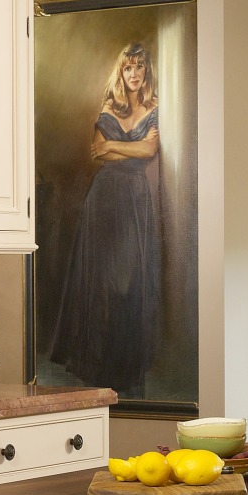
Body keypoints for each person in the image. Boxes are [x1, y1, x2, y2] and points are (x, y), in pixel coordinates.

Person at [47, 39, 162, 396]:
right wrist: (124, 149)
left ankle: (127, 367)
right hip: (104, 200)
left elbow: (149, 149)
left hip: (134, 199)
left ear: (147, 72)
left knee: (130, 281)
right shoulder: (108, 108)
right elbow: (96, 152)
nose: (134, 74)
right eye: (128, 67)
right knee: (103, 281)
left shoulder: (156, 107)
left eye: (139, 67)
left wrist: (114, 145)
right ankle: (100, 366)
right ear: (121, 71)